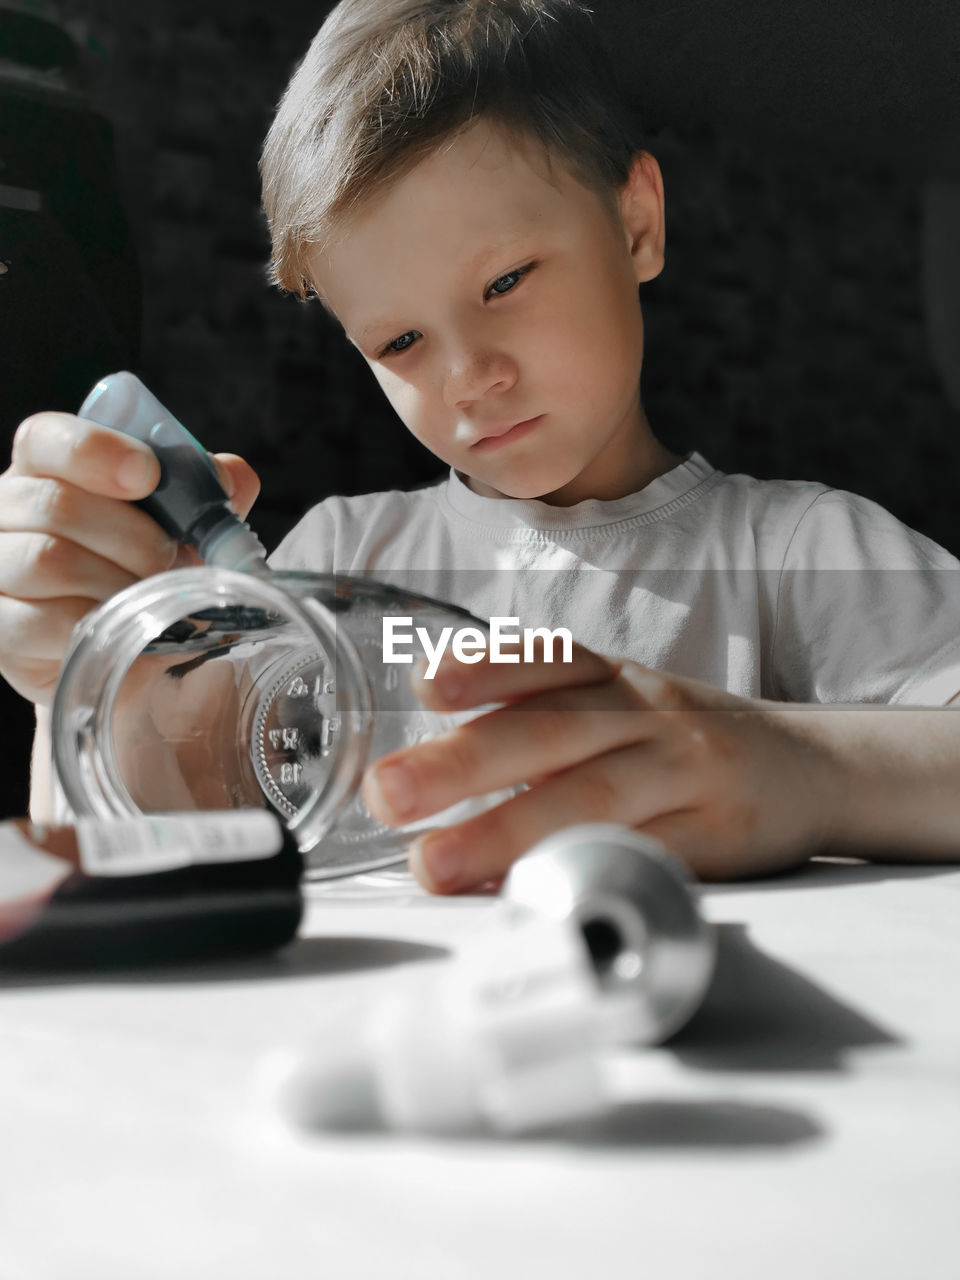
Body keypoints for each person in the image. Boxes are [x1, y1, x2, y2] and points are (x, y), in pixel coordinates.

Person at [3, 0, 960, 894]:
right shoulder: (338, 562)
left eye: (505, 281)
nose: (469, 376)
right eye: (401, 342)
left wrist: (805, 767)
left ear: (636, 225)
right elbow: (125, 853)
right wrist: (82, 690)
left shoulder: (795, 553)